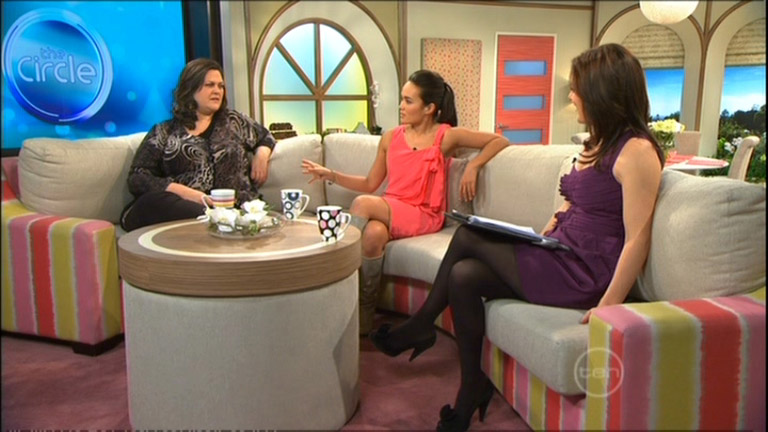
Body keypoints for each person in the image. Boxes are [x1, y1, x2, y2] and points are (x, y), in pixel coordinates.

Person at [369, 44, 665, 431]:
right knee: (463, 276)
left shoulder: (637, 151)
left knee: (468, 235)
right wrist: (541, 236)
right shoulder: (597, 144)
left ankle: (422, 323)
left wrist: (608, 304)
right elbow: (573, 205)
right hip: (558, 254)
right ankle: (471, 387)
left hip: (584, 274)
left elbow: (637, 238)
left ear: (601, 92)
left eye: (577, 89)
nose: (572, 97)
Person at [302, 70, 509, 335]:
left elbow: (499, 141)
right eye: (402, 99)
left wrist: (474, 166)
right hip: (393, 207)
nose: (401, 106)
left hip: (424, 213)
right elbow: (370, 183)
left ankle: (335, 285)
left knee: (363, 204)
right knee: (373, 235)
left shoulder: (446, 136)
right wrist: (330, 174)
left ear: (429, 108)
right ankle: (364, 314)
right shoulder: (391, 137)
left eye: (408, 101)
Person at [121, 58, 276, 231]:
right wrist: (187, 193)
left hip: (235, 208)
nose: (217, 91)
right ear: (190, 88)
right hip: (183, 207)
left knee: (223, 216)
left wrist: (262, 154)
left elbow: (265, 136)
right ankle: (214, 220)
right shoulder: (164, 131)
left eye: (221, 86)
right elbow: (138, 177)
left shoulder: (234, 122)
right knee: (152, 202)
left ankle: (221, 221)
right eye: (210, 85)